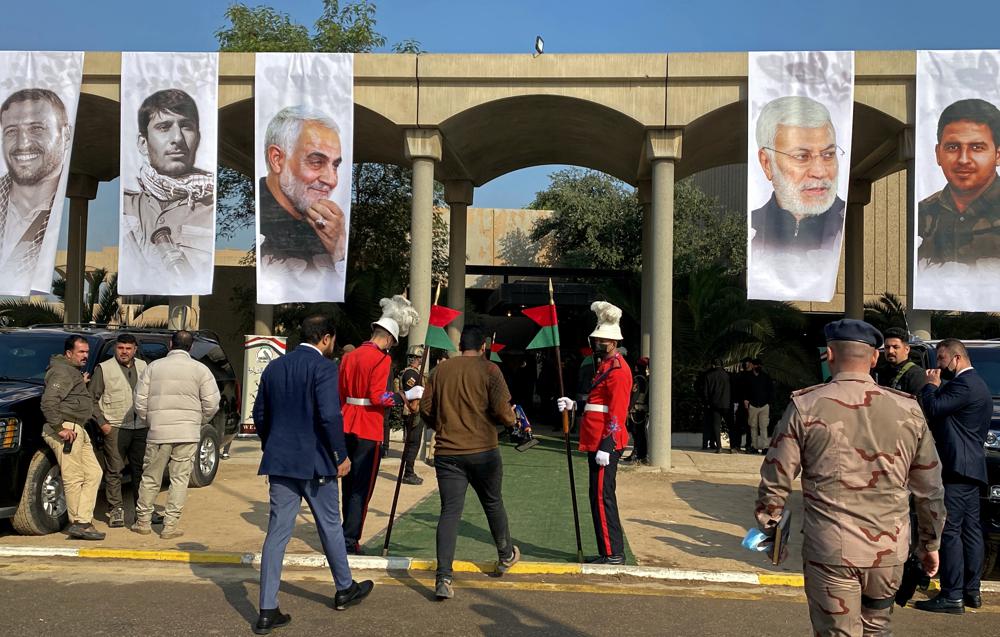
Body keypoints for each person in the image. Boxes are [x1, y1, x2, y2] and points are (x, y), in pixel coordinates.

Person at [756, 319, 946, 636]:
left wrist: (771, 527)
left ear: (829, 354)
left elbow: (777, 477)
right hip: (888, 552)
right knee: (877, 629)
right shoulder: (908, 410)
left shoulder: (805, 406)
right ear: (874, 358)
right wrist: (930, 543)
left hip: (831, 550)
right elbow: (930, 488)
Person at [252, 315, 373, 634]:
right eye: (332, 340)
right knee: (330, 525)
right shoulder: (323, 368)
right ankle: (344, 588)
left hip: (280, 463)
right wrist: (341, 454)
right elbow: (329, 415)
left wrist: (274, 443)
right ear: (326, 338)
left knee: (277, 533)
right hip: (316, 462)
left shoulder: (275, 367)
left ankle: (267, 608)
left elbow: (259, 413)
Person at [419, 325, 521, 599]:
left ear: (460, 345)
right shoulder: (490, 370)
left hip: (448, 452)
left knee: (450, 512)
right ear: (484, 346)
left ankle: (443, 577)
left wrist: (441, 425)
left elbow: (425, 408)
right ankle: (505, 554)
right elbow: (502, 409)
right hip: (484, 450)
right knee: (492, 502)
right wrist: (512, 421)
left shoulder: (440, 370)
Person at [338, 295, 422, 554]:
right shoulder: (381, 359)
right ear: (388, 339)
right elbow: (379, 397)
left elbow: (340, 393)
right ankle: (350, 539)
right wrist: (404, 396)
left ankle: (345, 533)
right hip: (368, 427)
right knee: (362, 489)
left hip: (346, 422)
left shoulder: (349, 357)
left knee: (348, 484)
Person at [915, 338, 993, 614]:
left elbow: (933, 409)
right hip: (972, 468)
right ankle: (971, 591)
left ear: (956, 359)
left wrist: (930, 386)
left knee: (951, 531)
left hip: (957, 468)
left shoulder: (963, 384)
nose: (938, 366)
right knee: (972, 532)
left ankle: (952, 595)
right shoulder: (980, 386)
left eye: (941, 360)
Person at [557, 301, 633, 565]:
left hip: (605, 442)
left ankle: (613, 553)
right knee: (597, 495)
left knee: (603, 497)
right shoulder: (605, 366)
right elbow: (598, 404)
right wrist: (574, 405)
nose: (596, 342)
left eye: (600, 339)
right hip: (597, 439)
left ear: (611, 343)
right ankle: (607, 551)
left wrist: (608, 444)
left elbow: (617, 412)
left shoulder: (619, 371)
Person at [121, 89, 214, 290]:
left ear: (198, 138)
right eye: (164, 127)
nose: (178, 138)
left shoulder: (214, 208)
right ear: (143, 143)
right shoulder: (122, 207)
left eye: (186, 127)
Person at [132, 330, 220, 539]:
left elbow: (139, 401)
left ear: (171, 344)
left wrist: (150, 420)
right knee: (179, 479)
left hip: (158, 432)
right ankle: (170, 526)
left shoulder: (153, 367)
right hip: (187, 432)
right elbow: (212, 403)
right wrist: (198, 421)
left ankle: (143, 521)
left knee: (151, 477)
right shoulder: (201, 369)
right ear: (191, 347)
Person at [258, 105, 348, 302]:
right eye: (316, 162)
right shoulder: (256, 218)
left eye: (335, 165)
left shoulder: (320, 225)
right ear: (277, 159)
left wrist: (339, 251)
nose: (331, 180)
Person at [751, 95, 846, 255]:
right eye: (802, 156)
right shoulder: (749, 228)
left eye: (828, 154)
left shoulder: (850, 221)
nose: (819, 172)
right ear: (767, 163)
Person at [0, 88, 72, 295]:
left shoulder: (60, 211)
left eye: (36, 129)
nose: (23, 144)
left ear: (66, 134)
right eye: (11, 131)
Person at [918, 99, 1000, 265]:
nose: (963, 160)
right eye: (953, 147)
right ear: (938, 153)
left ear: (998, 155)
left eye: (977, 147)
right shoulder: (919, 214)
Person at [39, 335, 104, 540]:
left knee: (94, 473)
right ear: (69, 353)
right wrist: (60, 428)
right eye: (81, 352)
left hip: (78, 428)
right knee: (74, 476)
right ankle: (79, 523)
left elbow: (70, 396)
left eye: (87, 352)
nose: (86, 356)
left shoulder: (71, 372)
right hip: (68, 428)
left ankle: (83, 520)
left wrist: (80, 383)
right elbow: (49, 402)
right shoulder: (62, 372)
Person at [89, 333, 148, 528]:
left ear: (135, 350)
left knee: (141, 470)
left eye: (128, 348)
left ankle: (143, 512)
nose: (124, 352)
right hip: (114, 427)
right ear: (115, 348)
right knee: (114, 471)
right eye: (121, 348)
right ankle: (116, 510)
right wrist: (102, 423)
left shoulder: (144, 367)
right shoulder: (104, 369)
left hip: (140, 427)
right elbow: (91, 399)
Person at [398, 345, 426, 485]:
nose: (420, 360)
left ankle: (409, 470)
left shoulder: (412, 372)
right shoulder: (411, 374)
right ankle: (408, 473)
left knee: (412, 442)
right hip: (412, 412)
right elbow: (414, 394)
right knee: (413, 443)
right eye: (419, 358)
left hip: (412, 411)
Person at [875, 327, 927, 399]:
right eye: (887, 347)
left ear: (907, 349)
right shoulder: (879, 371)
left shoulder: (916, 374)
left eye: (895, 347)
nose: (890, 351)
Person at [697, 359, 730, 453]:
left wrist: (707, 402)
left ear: (713, 365)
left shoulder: (709, 376)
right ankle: (734, 445)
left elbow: (705, 392)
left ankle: (719, 446)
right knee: (730, 425)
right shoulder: (727, 375)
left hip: (714, 404)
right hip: (726, 403)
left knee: (716, 425)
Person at [745, 358, 773, 454]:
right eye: (756, 365)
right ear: (753, 366)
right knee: (753, 427)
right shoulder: (748, 377)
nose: (758, 367)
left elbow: (770, 391)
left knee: (763, 427)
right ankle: (754, 446)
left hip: (764, 406)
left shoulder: (766, 377)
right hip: (753, 405)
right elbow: (745, 390)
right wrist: (746, 400)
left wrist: (768, 403)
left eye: (759, 365)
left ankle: (765, 447)